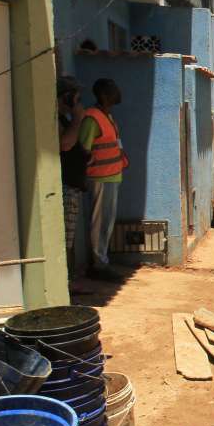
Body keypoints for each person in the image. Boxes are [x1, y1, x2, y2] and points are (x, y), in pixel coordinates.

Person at [79, 78, 128, 279]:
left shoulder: (106, 116)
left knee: (106, 221)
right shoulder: (93, 118)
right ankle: (100, 264)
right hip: (101, 177)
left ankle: (102, 260)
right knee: (100, 222)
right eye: (114, 89)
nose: (118, 92)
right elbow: (83, 149)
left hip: (112, 176)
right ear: (105, 95)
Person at [56, 75, 87, 278]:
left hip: (72, 187)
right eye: (76, 98)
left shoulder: (63, 118)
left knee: (68, 237)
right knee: (64, 240)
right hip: (65, 187)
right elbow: (65, 144)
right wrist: (78, 118)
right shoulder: (57, 119)